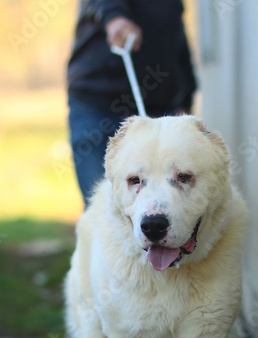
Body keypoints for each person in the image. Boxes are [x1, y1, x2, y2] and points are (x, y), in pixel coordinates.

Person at [67, 0, 197, 206]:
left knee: (165, 207)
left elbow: (175, 35)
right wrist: (115, 18)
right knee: (101, 212)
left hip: (160, 112)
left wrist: (187, 93)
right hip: (97, 106)